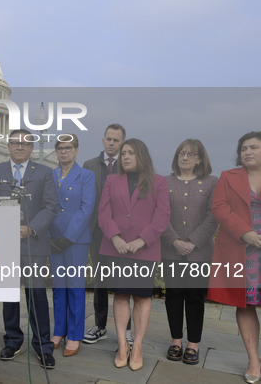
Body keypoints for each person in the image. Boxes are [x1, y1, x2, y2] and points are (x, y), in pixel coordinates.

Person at [0, 129, 58, 369]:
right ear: (8, 146)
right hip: (5, 245)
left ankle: (43, 346)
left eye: (25, 144)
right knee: (9, 296)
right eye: (15, 142)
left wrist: (32, 228)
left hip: (33, 245)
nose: (20, 147)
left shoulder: (45, 172)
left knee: (36, 297)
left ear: (30, 148)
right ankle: (13, 340)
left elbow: (50, 206)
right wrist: (3, 218)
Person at [98, 138, 170, 371]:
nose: (126, 157)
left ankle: (137, 346)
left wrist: (141, 240)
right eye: (123, 153)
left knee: (141, 297)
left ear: (142, 156)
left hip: (144, 250)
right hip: (115, 247)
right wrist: (115, 237)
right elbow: (103, 213)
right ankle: (122, 345)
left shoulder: (158, 182)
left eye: (131, 153)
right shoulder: (111, 180)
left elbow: (162, 216)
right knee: (120, 296)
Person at [208, 131, 261, 383]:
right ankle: (254, 361)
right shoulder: (228, 177)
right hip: (243, 252)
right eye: (243, 149)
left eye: (253, 147)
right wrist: (245, 233)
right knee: (246, 304)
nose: (247, 152)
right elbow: (219, 207)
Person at [162, 139, 217, 365]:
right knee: (174, 296)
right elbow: (160, 215)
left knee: (195, 297)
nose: (184, 157)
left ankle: (193, 343)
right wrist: (174, 240)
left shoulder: (212, 182)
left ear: (199, 159)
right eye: (181, 154)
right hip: (170, 250)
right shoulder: (165, 182)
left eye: (190, 154)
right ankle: (176, 341)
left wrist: (193, 242)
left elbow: (213, 217)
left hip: (199, 252)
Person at [82, 123, 130, 344]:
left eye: (116, 140)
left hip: (123, 234)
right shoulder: (89, 165)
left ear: (122, 142)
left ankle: (126, 329)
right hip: (97, 232)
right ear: (103, 140)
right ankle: (100, 325)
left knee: (124, 281)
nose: (111, 143)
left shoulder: (130, 165)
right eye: (108, 139)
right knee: (100, 280)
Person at [49, 134, 95, 357]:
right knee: (59, 287)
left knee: (75, 287)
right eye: (60, 148)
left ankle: (75, 334)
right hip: (53, 238)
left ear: (76, 151)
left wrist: (67, 237)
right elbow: (47, 205)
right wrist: (51, 235)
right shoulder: (50, 175)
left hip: (75, 239)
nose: (64, 152)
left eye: (68, 148)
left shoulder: (86, 175)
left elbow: (86, 209)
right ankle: (59, 330)